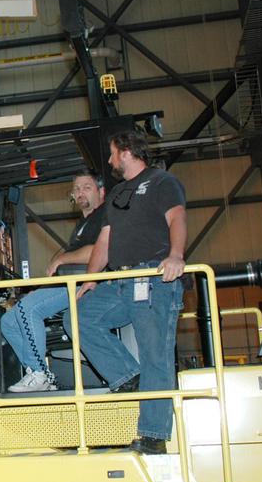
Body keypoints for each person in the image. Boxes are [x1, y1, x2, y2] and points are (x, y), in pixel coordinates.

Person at [73, 130, 187, 455]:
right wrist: (90, 279)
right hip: (121, 281)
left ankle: (153, 435)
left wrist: (176, 255)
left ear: (125, 151)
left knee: (155, 353)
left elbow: (177, 217)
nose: (109, 161)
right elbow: (105, 240)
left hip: (152, 278)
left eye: (111, 153)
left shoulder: (162, 182)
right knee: (79, 317)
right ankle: (128, 377)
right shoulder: (118, 193)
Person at [2, 171, 106, 392]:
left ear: (101, 192)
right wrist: (39, 290)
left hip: (86, 282)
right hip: (68, 281)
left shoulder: (103, 217)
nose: (80, 192)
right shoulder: (82, 225)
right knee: (8, 321)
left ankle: (40, 374)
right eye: (76, 189)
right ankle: (38, 372)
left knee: (28, 310)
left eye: (86, 187)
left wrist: (61, 258)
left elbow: (96, 252)